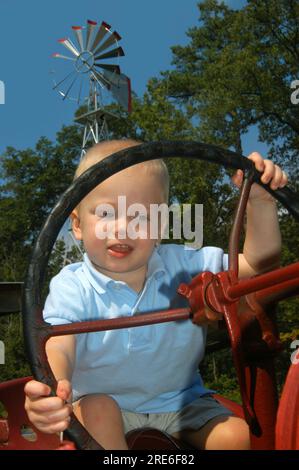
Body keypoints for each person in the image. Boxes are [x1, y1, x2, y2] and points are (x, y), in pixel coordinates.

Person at [24, 139, 287, 450]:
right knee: (96, 409)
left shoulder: (184, 265)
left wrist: (261, 203)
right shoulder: (72, 285)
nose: (122, 229)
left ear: (161, 224)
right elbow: (58, 343)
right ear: (78, 225)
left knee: (242, 439)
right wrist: (54, 387)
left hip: (184, 404)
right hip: (111, 409)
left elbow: (258, 263)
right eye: (106, 213)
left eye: (141, 217)